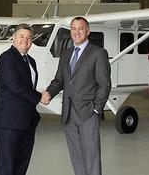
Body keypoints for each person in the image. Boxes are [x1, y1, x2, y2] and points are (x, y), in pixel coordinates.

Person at [43, 17, 111, 175]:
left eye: (81, 28)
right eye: (73, 28)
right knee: (76, 157)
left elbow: (104, 84)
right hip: (68, 114)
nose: (77, 32)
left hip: (88, 114)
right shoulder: (66, 53)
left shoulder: (98, 53)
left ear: (88, 31)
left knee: (91, 158)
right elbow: (59, 80)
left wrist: (96, 110)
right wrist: (49, 93)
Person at [0, 23, 47, 175]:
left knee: (21, 167)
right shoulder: (6, 59)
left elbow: (26, 87)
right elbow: (16, 87)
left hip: (27, 123)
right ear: (14, 38)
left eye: (29, 38)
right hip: (9, 123)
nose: (26, 40)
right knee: (7, 168)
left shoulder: (31, 61)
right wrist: (40, 97)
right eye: (22, 37)